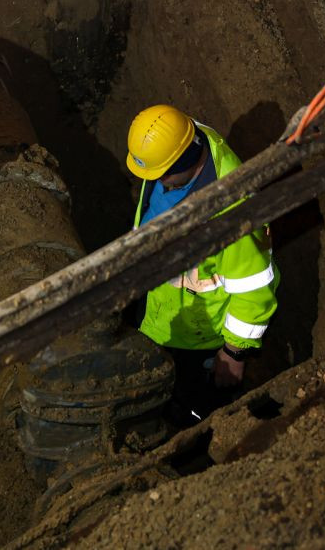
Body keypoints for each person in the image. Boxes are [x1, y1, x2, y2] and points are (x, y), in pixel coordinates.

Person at [125, 104, 277, 423]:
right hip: (156, 305)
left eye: (161, 174)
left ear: (184, 160)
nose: (157, 182)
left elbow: (255, 288)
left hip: (199, 334)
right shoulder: (179, 138)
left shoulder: (232, 215)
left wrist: (234, 353)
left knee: (195, 407)